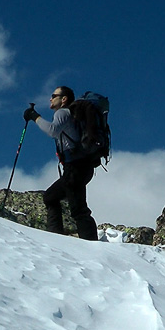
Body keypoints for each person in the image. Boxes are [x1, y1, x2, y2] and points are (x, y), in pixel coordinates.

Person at [23, 86, 99, 241]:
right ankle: (57, 236)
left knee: (78, 209)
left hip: (76, 168)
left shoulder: (63, 112)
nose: (50, 99)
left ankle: (88, 244)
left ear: (64, 99)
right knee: (51, 197)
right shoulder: (71, 115)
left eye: (54, 95)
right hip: (80, 168)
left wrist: (34, 116)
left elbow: (52, 131)